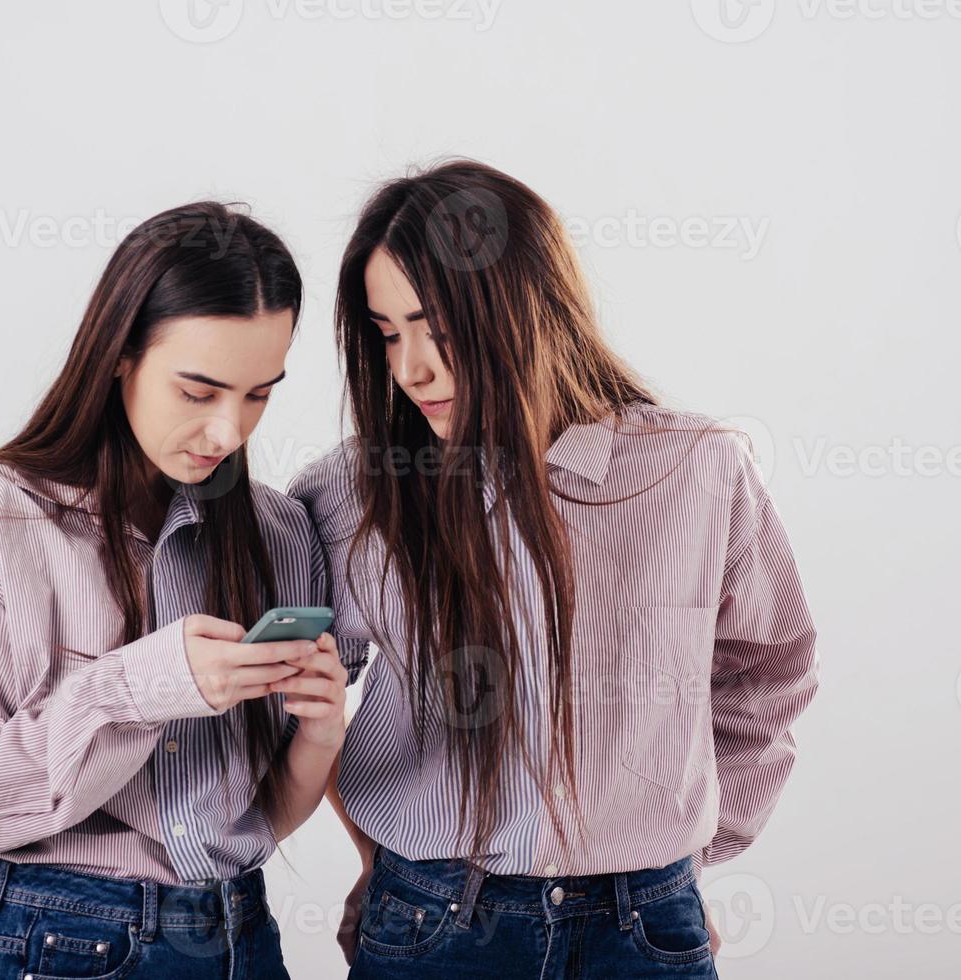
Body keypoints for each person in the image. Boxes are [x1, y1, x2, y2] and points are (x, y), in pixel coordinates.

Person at [289, 160, 820, 977]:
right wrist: (383, 862)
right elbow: (293, 699)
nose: (410, 368)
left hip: (644, 928)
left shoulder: (696, 471)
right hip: (431, 924)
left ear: (525, 307)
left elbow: (768, 670)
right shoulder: (353, 491)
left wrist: (683, 858)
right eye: (388, 332)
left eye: (436, 327)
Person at [0, 202, 360, 979]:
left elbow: (254, 820)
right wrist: (140, 686)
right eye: (198, 391)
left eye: (258, 394)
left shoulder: (276, 533)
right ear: (119, 356)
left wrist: (319, 734)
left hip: (242, 934)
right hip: (65, 942)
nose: (227, 433)